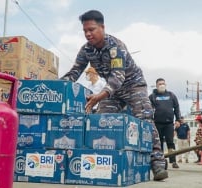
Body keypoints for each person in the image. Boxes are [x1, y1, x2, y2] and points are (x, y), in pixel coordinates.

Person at [60, 10, 168, 181]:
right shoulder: (86, 50)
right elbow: (75, 71)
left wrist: (98, 96)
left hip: (133, 86)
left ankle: (158, 163)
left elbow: (118, 76)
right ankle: (105, 160)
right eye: (85, 31)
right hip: (112, 91)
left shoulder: (115, 47)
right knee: (102, 119)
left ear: (102, 27)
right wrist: (60, 85)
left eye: (92, 29)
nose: (88, 34)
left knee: (145, 118)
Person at [149, 78, 181, 169]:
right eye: (160, 84)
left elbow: (177, 108)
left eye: (163, 83)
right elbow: (148, 109)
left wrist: (178, 120)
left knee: (170, 142)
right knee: (159, 144)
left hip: (169, 124)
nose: (162, 85)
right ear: (156, 86)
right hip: (157, 124)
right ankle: (161, 161)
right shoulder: (152, 96)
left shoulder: (171, 95)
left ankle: (173, 161)